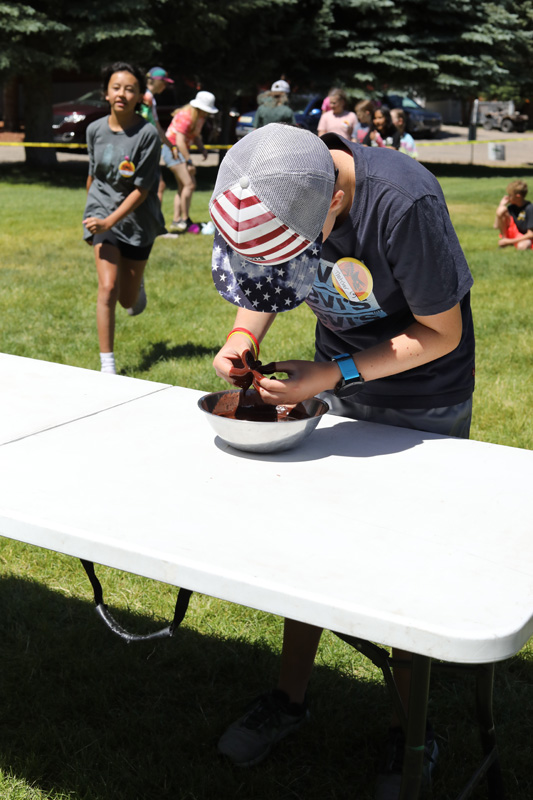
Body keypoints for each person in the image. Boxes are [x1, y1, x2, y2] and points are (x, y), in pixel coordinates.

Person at [208, 123, 475, 799]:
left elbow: (440, 332)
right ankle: (288, 699)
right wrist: (241, 334)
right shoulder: (275, 174)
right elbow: (266, 280)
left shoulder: (404, 203)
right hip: (335, 383)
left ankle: (410, 731)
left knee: (402, 564)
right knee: (315, 549)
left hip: (421, 399)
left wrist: (333, 375)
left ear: (331, 205)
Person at [82, 62, 165, 375]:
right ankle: (108, 367)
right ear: (106, 93)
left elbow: (142, 190)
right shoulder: (94, 130)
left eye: (130, 89)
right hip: (101, 213)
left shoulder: (147, 135)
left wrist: (110, 221)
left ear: (140, 96)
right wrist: (96, 214)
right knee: (107, 288)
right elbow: (93, 175)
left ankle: (137, 285)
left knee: (127, 300)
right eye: (116, 87)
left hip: (137, 221)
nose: (122, 94)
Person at [162, 90, 218, 234]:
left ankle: (177, 220)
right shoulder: (186, 116)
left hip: (180, 150)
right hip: (173, 150)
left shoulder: (199, 117)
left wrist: (202, 149)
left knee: (183, 186)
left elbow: (195, 136)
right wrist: (189, 161)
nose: (207, 114)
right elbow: (179, 141)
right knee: (189, 184)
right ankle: (185, 220)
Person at [139, 66, 176, 155]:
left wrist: (171, 146)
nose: (165, 86)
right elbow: (156, 126)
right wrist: (171, 147)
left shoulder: (147, 97)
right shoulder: (147, 98)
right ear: (154, 80)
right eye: (164, 82)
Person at [493, 180, 533, 250]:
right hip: (514, 236)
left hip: (525, 237)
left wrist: (509, 241)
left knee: (522, 246)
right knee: (502, 209)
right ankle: (504, 240)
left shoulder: (530, 208)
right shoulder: (511, 207)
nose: (507, 197)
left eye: (510, 195)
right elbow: (496, 226)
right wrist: (501, 205)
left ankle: (507, 243)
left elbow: (531, 234)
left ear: (518, 196)